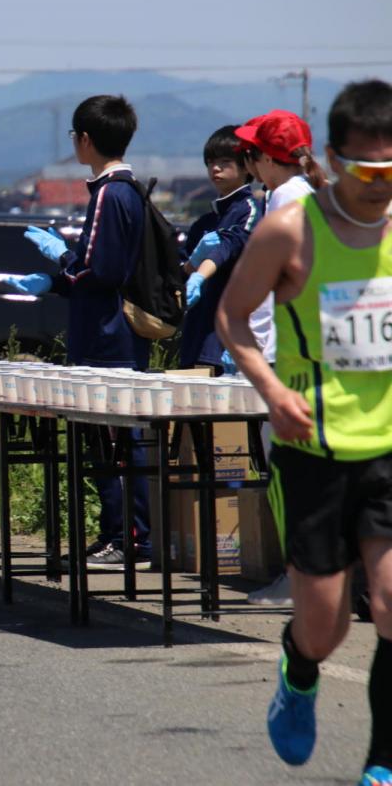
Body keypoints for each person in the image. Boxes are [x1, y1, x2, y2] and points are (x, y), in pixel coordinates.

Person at [217, 79, 392, 786]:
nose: (381, 185)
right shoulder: (291, 229)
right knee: (326, 625)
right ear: (335, 160)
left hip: (388, 449)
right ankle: (298, 669)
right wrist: (273, 391)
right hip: (314, 450)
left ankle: (383, 761)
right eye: (367, 172)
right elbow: (232, 316)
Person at [7, 94, 151, 570]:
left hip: (107, 339)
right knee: (111, 443)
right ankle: (120, 534)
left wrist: (61, 261)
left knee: (113, 444)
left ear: (85, 139)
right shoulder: (127, 190)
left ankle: (128, 538)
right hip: (113, 335)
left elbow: (100, 270)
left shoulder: (110, 193)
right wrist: (59, 277)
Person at [237, 110, 324, 608]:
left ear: (269, 160)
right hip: (311, 354)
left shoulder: (284, 202)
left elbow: (267, 294)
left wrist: (253, 353)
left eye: (251, 154)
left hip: (284, 357)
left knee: (288, 472)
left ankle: (298, 580)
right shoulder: (312, 195)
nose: (248, 163)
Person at [178, 126, 263, 370]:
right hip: (196, 334)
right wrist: (190, 268)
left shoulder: (250, 211)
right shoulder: (204, 223)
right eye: (210, 162)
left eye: (225, 162)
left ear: (246, 166)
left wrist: (199, 272)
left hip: (225, 340)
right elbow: (182, 270)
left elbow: (231, 244)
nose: (215, 168)